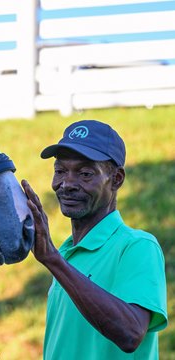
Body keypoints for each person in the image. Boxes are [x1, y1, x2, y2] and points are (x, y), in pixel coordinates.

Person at [21, 120, 168, 359]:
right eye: (60, 171)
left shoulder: (137, 246)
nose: (66, 184)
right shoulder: (67, 253)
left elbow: (131, 333)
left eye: (85, 174)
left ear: (117, 179)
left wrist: (53, 261)